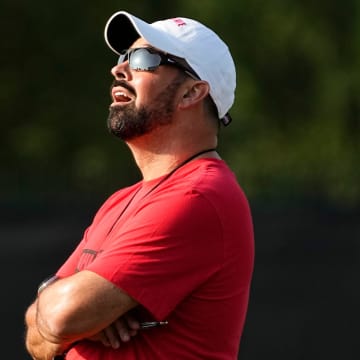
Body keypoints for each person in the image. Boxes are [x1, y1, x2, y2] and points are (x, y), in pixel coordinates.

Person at [24, 10, 254, 360]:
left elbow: (58, 319)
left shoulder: (199, 196)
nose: (118, 70)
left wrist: (64, 310)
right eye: (122, 57)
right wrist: (58, 301)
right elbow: (36, 337)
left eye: (144, 59)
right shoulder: (121, 200)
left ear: (192, 92)